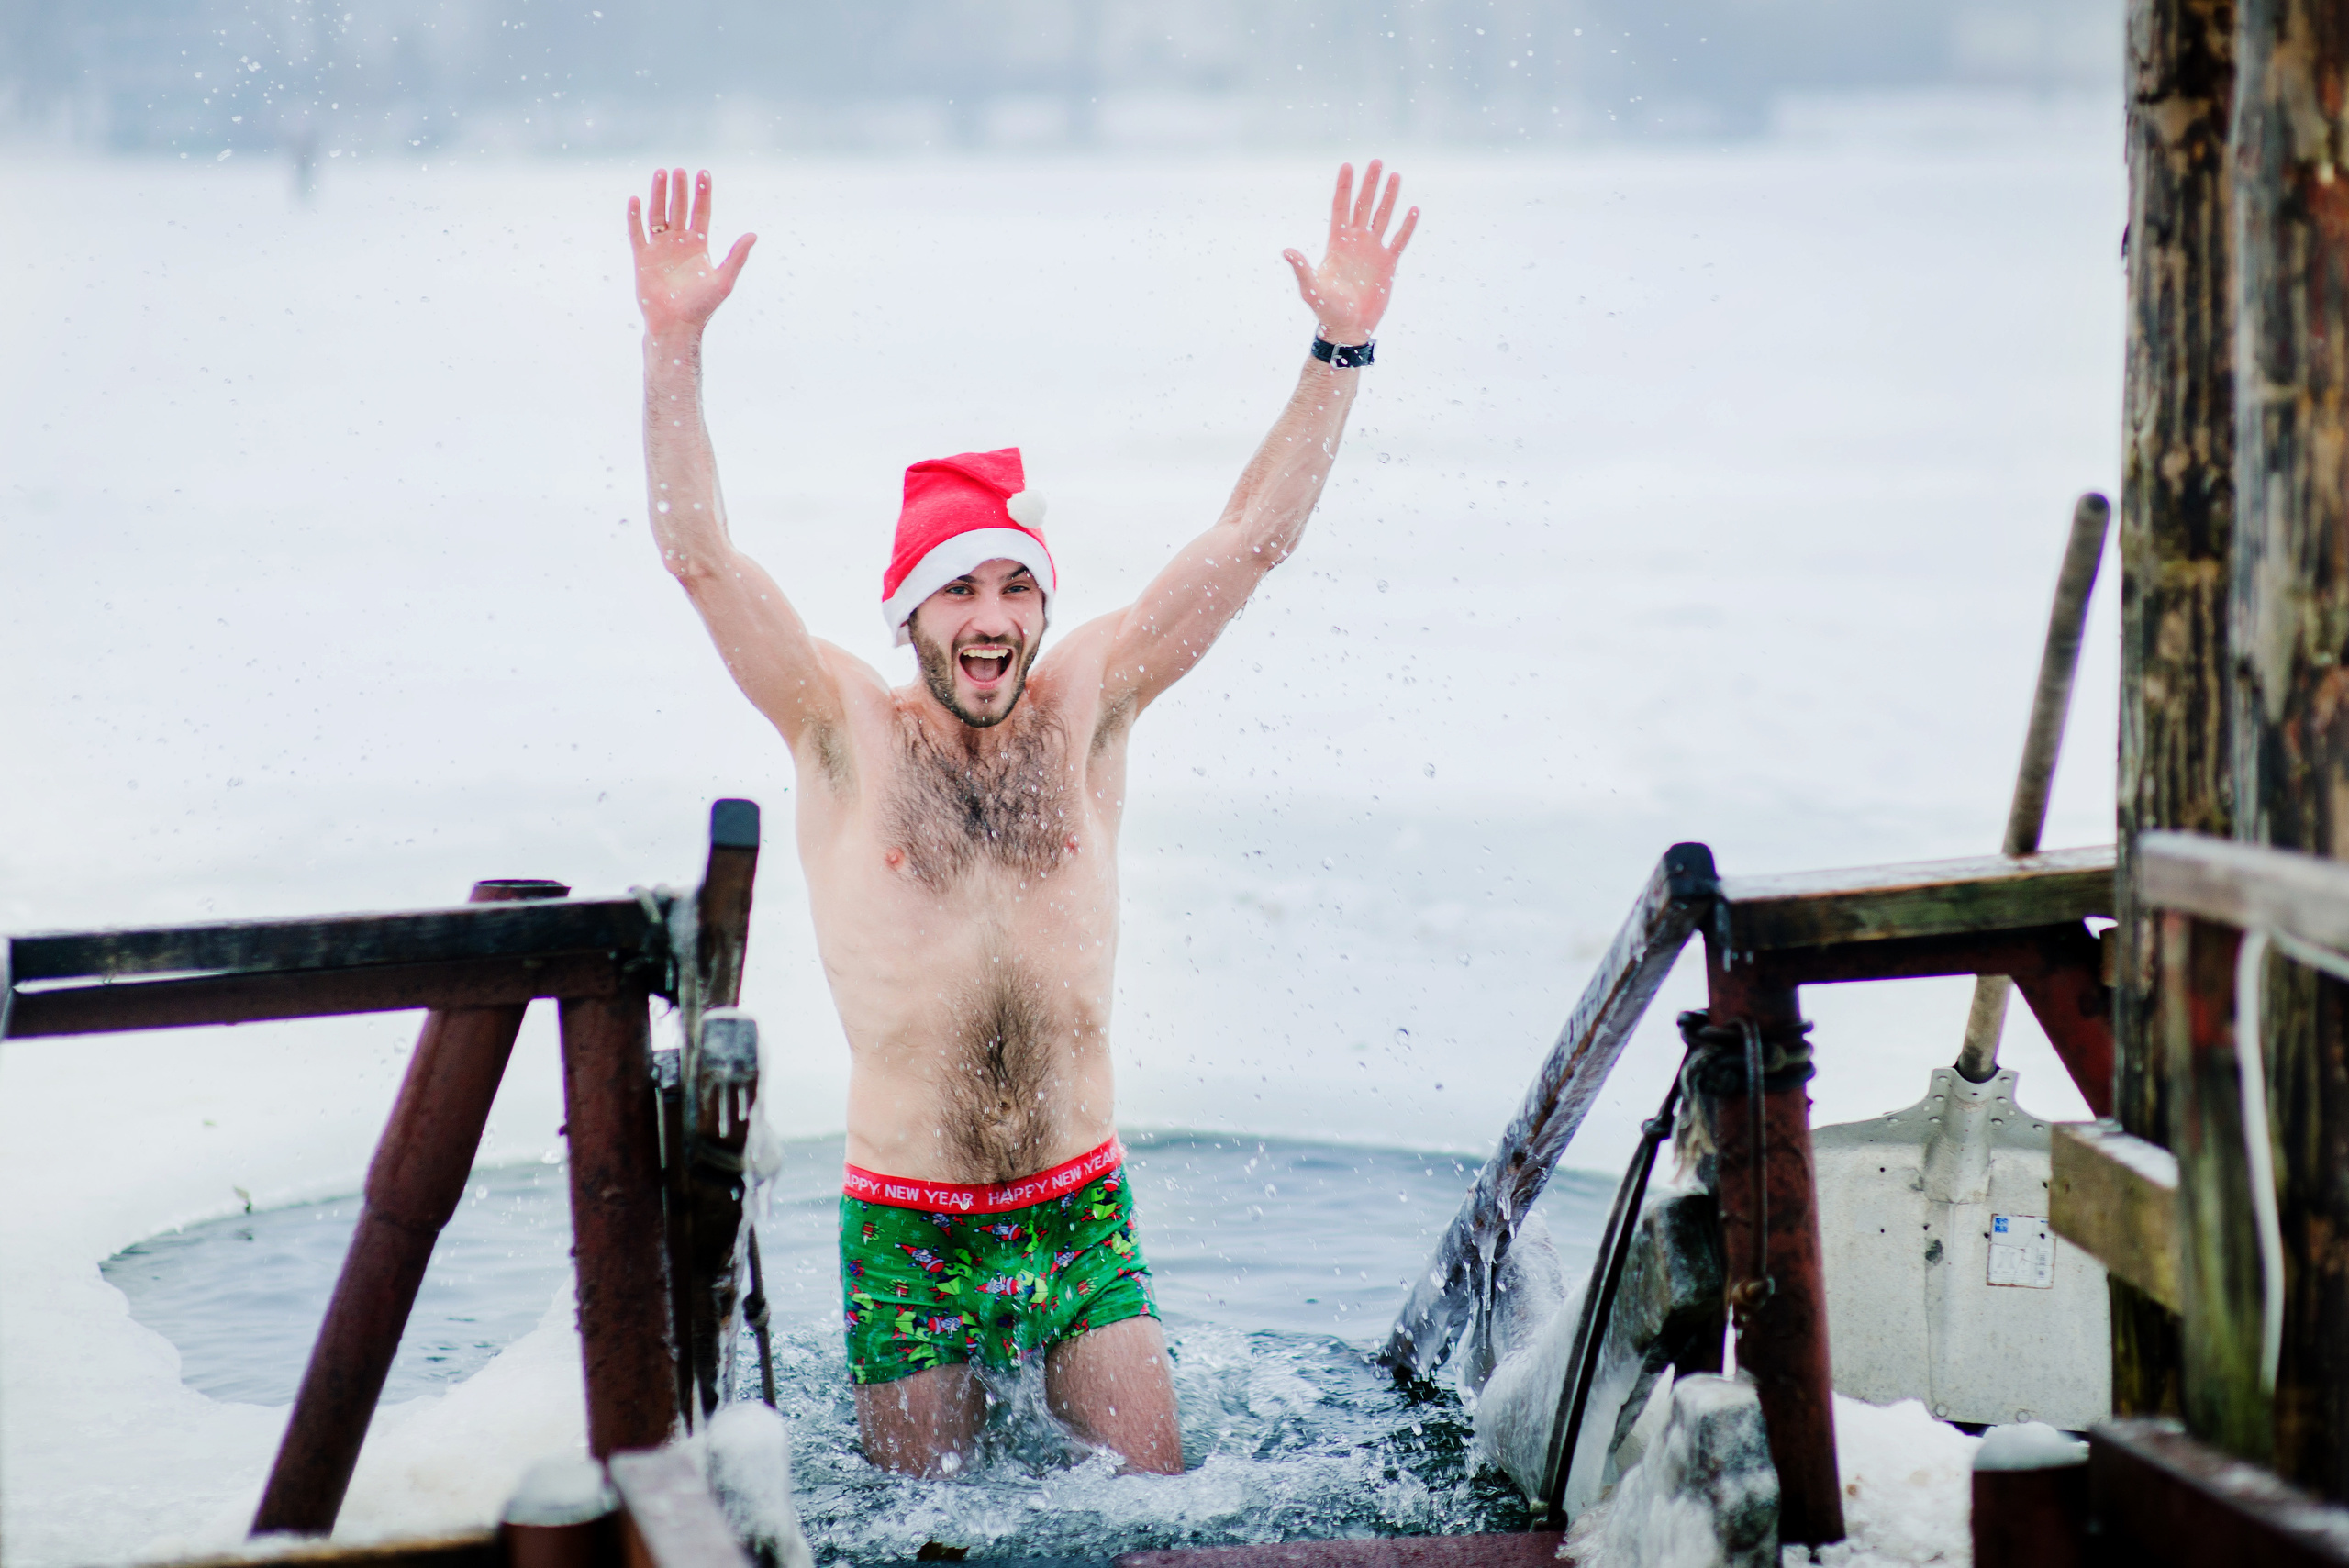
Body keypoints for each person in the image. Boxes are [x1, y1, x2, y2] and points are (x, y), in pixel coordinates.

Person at [627, 161, 1418, 1478]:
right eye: (958, 594)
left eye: (1013, 588)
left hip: (1078, 1207)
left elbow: (1250, 540)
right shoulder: (842, 729)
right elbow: (700, 556)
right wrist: (673, 346)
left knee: (1156, 1512)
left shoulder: (1088, 708)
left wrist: (1340, 343)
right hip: (906, 1223)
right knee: (929, 1537)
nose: (990, 619)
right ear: (911, 614)